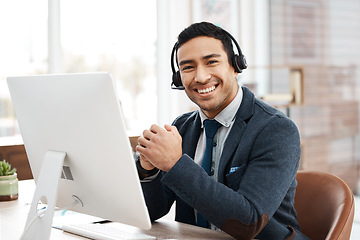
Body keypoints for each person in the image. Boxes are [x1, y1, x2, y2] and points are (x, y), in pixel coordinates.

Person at [135, 22, 309, 240]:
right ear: (178, 78)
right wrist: (148, 170)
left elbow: (248, 223)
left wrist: (175, 164)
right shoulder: (182, 127)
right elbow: (152, 212)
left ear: (235, 65)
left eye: (211, 62)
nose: (200, 77)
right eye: (188, 67)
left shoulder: (276, 130)